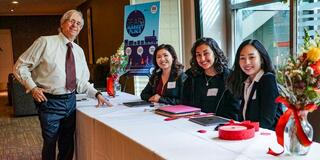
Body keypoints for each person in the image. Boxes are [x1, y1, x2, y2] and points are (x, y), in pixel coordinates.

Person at [13, 10, 111, 160]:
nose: (75, 25)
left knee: (67, 143)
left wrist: (97, 94)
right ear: (63, 23)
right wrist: (32, 87)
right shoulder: (45, 42)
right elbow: (20, 66)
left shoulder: (79, 51)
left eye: (78, 23)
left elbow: (80, 81)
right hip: (49, 101)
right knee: (50, 142)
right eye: (71, 21)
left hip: (71, 101)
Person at [226, 39, 283, 130]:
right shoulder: (247, 82)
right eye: (242, 58)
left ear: (261, 59)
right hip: (251, 136)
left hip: (267, 138)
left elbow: (266, 122)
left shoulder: (268, 79)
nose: (247, 62)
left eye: (251, 57)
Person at [182, 37, 240, 120]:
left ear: (215, 53)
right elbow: (185, 105)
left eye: (206, 53)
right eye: (198, 55)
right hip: (194, 124)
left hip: (220, 125)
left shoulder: (230, 77)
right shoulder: (191, 77)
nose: (202, 59)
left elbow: (234, 111)